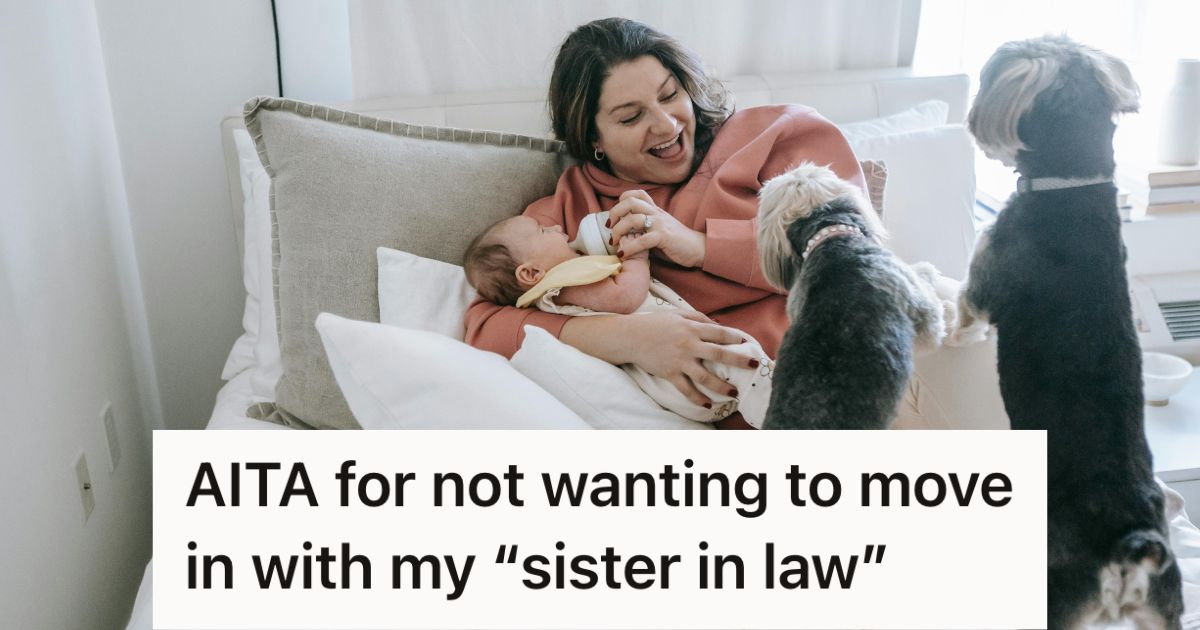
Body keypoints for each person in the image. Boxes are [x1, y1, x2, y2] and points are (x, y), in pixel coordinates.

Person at [464, 17, 926, 429]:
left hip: (848, 383)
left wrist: (698, 245)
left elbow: (851, 262)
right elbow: (486, 326)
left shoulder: (776, 136)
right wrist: (630, 339)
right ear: (593, 137)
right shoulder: (566, 212)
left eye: (670, 95)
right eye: (631, 117)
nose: (666, 125)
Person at [463, 213, 775, 426]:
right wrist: (637, 257)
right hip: (682, 371)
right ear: (531, 273)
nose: (557, 227)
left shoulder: (562, 282)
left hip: (686, 386)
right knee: (746, 360)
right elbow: (623, 297)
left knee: (744, 365)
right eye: (544, 231)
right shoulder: (562, 285)